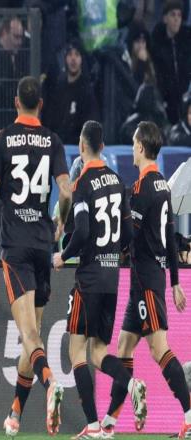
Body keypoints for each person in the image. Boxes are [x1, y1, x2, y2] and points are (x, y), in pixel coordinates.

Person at [0, 76, 71, 436]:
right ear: (41, 105)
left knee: (29, 334)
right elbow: (66, 191)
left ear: (16, 102)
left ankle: (50, 383)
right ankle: (15, 412)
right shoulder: (53, 140)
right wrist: (60, 222)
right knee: (31, 336)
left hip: (16, 245)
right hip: (42, 244)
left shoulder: (3, 138)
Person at [52, 121, 148, 438]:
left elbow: (80, 232)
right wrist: (112, 251)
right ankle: (131, 384)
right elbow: (127, 233)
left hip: (89, 278)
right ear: (103, 147)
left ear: (82, 146)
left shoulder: (82, 183)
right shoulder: (118, 182)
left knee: (77, 352)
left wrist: (63, 256)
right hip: (111, 279)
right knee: (98, 352)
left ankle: (93, 425)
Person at [99, 121, 191, 438]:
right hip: (148, 280)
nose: (132, 148)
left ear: (140, 147)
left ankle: (190, 416)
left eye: (133, 143)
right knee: (124, 347)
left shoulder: (140, 189)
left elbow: (129, 237)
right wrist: (175, 282)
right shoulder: (163, 185)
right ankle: (109, 424)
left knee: (158, 349)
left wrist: (106, 247)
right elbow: (170, 239)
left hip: (147, 281)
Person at [42, 39, 100, 145]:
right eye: (70, 54)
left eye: (77, 54)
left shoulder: (86, 91)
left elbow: (90, 124)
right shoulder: (57, 89)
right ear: (65, 58)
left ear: (81, 59)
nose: (73, 59)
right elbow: (50, 119)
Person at [151, 0, 191, 124]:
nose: (176, 19)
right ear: (165, 18)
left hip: (184, 95)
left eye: (179, 15)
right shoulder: (157, 42)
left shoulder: (186, 40)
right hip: (166, 99)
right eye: (173, 15)